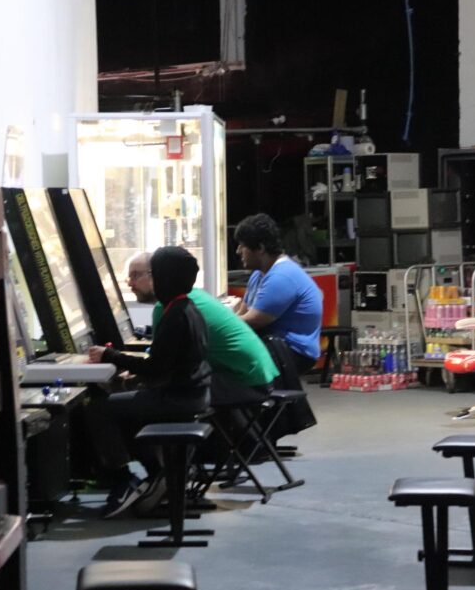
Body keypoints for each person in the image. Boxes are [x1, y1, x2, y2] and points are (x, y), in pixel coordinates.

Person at [89, 246, 211, 518]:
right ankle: (154, 472)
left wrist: (110, 356)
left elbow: (155, 368)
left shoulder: (174, 315)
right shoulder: (188, 308)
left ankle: (130, 476)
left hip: (177, 398)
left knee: (100, 409)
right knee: (124, 403)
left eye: (156, 274)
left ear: (167, 277)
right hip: (193, 394)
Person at [234, 213, 323, 374]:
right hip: (273, 344)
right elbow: (242, 312)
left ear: (260, 248)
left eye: (243, 246)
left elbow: (251, 321)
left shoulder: (281, 277)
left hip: (293, 352)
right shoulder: (258, 274)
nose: (238, 251)